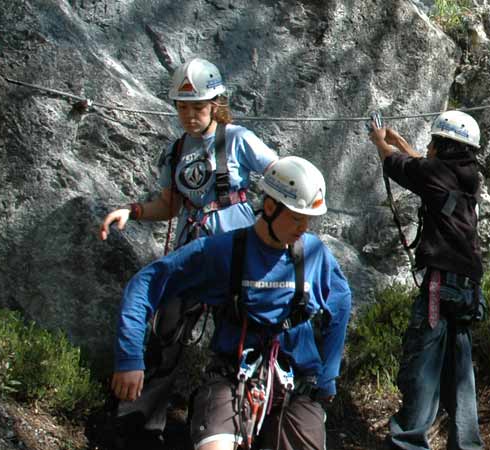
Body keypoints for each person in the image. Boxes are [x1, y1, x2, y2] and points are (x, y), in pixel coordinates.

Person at [112, 156, 352, 450]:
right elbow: (146, 283)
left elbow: (340, 305)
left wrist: (327, 376)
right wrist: (129, 358)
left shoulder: (315, 255)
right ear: (269, 207)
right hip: (231, 375)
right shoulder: (222, 251)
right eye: (297, 217)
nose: (304, 228)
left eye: (308, 220)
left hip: (296, 383)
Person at [97, 57, 280, 440]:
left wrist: (271, 223)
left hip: (235, 258)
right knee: (166, 337)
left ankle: (239, 427)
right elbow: (170, 205)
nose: (190, 114)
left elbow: (281, 177)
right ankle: (139, 427)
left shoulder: (238, 140)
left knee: (241, 345)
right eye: (183, 107)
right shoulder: (176, 150)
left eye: (198, 106)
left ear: (215, 103)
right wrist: (130, 211)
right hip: (190, 255)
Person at [369, 111, 486, 450]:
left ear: (444, 146)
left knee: (423, 367)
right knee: (459, 370)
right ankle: (467, 446)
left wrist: (380, 140)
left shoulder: (438, 173)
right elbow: (424, 166)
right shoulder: (465, 176)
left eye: (433, 142)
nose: (428, 147)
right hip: (466, 290)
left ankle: (408, 444)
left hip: (441, 285)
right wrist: (401, 140)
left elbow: (401, 166)